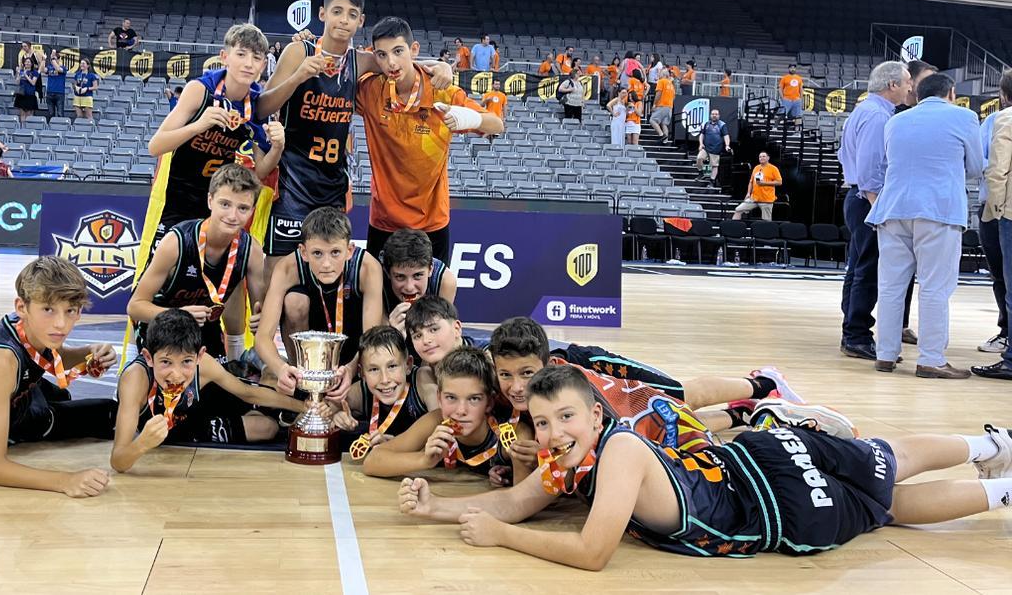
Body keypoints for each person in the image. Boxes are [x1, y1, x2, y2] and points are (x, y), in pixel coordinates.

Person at [398, 363, 1012, 568]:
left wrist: (502, 539)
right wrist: (437, 510)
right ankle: (1001, 468)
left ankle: (998, 452)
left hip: (779, 500)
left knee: (891, 474)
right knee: (891, 486)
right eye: (541, 422)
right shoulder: (578, 453)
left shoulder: (620, 452)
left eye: (565, 418)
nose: (552, 433)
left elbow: (592, 553)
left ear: (593, 414)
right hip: (762, 474)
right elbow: (514, 500)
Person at [256, 0, 454, 272]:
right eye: (337, 11)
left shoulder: (359, 61)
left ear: (360, 21)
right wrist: (298, 76)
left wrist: (442, 66)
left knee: (327, 279)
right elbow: (262, 107)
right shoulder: (299, 51)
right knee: (278, 274)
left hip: (332, 188)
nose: (343, 20)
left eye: (351, 14)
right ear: (323, 14)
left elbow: (399, 61)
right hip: (292, 184)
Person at [486, 316, 819, 479]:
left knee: (680, 394)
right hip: (638, 415)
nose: (515, 386)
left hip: (618, 390)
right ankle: (742, 414)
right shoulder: (507, 384)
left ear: (546, 364)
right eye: (506, 376)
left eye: (526, 374)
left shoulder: (575, 391)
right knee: (674, 416)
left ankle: (763, 384)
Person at [0, 257, 119, 496]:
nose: (61, 323)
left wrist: (88, 353)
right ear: (21, 307)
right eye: (48, 310)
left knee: (61, 393)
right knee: (110, 414)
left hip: (3, 393)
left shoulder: (26, 325)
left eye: (70, 311)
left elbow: (54, 355)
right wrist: (65, 481)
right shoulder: (1, 361)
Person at [353, 17, 503, 263]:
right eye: (382, 55)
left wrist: (470, 119)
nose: (391, 62)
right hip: (384, 220)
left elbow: (497, 125)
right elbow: (338, 72)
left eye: (398, 51)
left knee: (432, 300)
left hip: (432, 222)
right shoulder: (371, 91)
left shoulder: (443, 91)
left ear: (414, 50)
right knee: (378, 298)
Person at [867, 73, 980, 378]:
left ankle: (885, 355)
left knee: (891, 286)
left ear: (917, 94)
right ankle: (931, 358)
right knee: (934, 287)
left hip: (892, 208)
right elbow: (976, 167)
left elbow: (891, 160)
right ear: (951, 92)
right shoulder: (965, 117)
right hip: (938, 209)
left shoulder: (896, 120)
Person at [111, 309, 303, 472]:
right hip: (187, 427)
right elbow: (118, 460)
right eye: (166, 362)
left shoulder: (204, 365)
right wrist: (142, 443)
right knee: (266, 428)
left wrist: (305, 407)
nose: (176, 375)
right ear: (149, 357)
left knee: (268, 406)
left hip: (204, 401)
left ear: (199, 356)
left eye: (186, 362)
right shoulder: (135, 379)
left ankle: (261, 377)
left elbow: (247, 392)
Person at [146, 24, 282, 246]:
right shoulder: (200, 90)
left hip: (218, 203)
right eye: (241, 54)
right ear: (224, 57)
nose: (248, 64)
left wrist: (277, 147)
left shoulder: (257, 106)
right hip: (176, 196)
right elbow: (155, 146)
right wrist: (198, 126)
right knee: (163, 273)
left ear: (263, 65)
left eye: (256, 58)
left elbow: (261, 171)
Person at [130, 163, 267, 364]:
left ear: (252, 210)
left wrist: (263, 321)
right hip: (162, 324)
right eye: (225, 204)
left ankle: (236, 367)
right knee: (176, 382)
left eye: (243, 208)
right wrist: (179, 315)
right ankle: (135, 368)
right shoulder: (177, 242)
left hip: (205, 327)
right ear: (210, 201)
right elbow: (135, 307)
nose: (232, 216)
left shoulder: (251, 250)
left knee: (218, 388)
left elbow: (260, 310)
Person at [260, 207, 384, 394]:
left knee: (382, 327)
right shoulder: (288, 268)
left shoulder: (367, 268)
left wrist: (351, 370)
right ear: (303, 252)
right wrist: (281, 368)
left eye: (335, 252)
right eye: (317, 253)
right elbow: (262, 336)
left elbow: (371, 337)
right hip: (307, 345)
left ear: (349, 250)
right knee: (294, 301)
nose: (326, 264)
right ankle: (301, 379)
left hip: (353, 346)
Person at [838, 61, 914, 361]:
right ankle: (856, 334)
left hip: (859, 198)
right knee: (867, 270)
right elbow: (871, 170)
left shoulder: (867, 111)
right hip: (869, 199)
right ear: (892, 84)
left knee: (858, 267)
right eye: (907, 81)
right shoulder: (877, 117)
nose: (910, 86)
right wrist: (878, 209)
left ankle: (852, 331)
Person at [362, 347, 521, 482]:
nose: (460, 411)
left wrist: (512, 474)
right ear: (439, 398)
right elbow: (372, 461)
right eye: (451, 398)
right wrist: (423, 460)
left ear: (489, 402)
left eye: (474, 399)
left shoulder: (513, 434)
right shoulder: (436, 421)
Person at [321, 325, 438, 461]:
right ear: (361, 373)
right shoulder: (361, 391)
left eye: (392, 366)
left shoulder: (423, 381)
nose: (384, 379)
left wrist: (394, 446)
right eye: (374, 369)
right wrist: (333, 418)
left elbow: (443, 431)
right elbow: (305, 419)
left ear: (408, 364)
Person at [974, 73, 1012, 365]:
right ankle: (1005, 331)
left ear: (1002, 94)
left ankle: (1008, 340)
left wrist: (995, 210)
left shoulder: (999, 120)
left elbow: (990, 168)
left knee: (1003, 276)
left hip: (1000, 209)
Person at [382, 228, 457, 333]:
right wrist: (392, 333)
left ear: (431, 269)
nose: (409, 287)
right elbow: (376, 345)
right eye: (400, 277)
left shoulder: (445, 281)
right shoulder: (377, 280)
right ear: (388, 272)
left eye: (417, 275)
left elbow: (446, 338)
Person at [732, 151, 782, 220]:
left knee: (766, 220)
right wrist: (748, 193)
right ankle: (734, 228)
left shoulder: (773, 168)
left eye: (763, 156)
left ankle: (766, 231)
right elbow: (751, 182)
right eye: (760, 157)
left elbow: (779, 182)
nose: (761, 158)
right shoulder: (756, 168)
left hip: (766, 199)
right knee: (738, 210)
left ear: (768, 158)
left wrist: (764, 183)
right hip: (754, 198)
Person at [695, 108, 731, 184]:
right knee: (699, 158)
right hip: (706, 147)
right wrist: (701, 144)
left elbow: (726, 136)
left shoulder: (722, 125)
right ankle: (701, 173)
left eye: (716, 114)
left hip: (716, 148)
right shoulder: (707, 124)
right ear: (710, 115)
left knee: (714, 165)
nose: (714, 115)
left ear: (719, 115)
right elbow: (702, 135)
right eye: (713, 114)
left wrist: (727, 145)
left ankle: (712, 181)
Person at [649, 67, 675, 141]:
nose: (658, 74)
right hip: (669, 106)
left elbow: (658, 94)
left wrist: (654, 104)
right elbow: (673, 96)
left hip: (662, 105)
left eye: (659, 72)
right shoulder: (671, 84)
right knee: (664, 124)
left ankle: (661, 135)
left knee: (652, 120)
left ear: (662, 74)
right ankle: (665, 141)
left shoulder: (661, 81)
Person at [14, 56, 39, 125]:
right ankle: (22, 127)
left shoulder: (34, 72)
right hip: (22, 94)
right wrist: (18, 73)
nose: (27, 63)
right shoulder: (21, 71)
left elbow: (33, 83)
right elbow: (17, 82)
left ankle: (28, 128)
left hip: (30, 94)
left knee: (29, 113)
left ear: (31, 63)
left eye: (29, 62)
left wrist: (26, 76)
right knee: (22, 113)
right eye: (26, 62)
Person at [43, 49, 67, 122]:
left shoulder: (63, 68)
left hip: (59, 93)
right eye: (52, 60)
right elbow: (42, 70)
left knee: (60, 114)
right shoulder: (49, 67)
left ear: (59, 60)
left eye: (54, 59)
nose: (52, 61)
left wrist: (52, 57)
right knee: (50, 114)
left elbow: (57, 68)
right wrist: (43, 60)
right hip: (49, 93)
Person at [481, 79, 507, 144]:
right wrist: (487, 100)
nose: (497, 86)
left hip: (498, 117)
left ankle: (489, 145)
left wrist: (504, 117)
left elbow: (504, 107)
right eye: (496, 84)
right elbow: (481, 105)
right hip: (489, 117)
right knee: (490, 131)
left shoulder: (503, 95)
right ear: (492, 85)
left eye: (498, 84)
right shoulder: (487, 94)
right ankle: (482, 141)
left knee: (495, 134)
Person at [624, 78, 643, 146]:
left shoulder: (639, 103)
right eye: (629, 97)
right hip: (628, 123)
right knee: (629, 142)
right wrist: (627, 109)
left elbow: (639, 113)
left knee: (635, 142)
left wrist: (634, 107)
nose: (630, 98)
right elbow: (625, 116)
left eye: (631, 97)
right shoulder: (627, 103)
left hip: (635, 123)